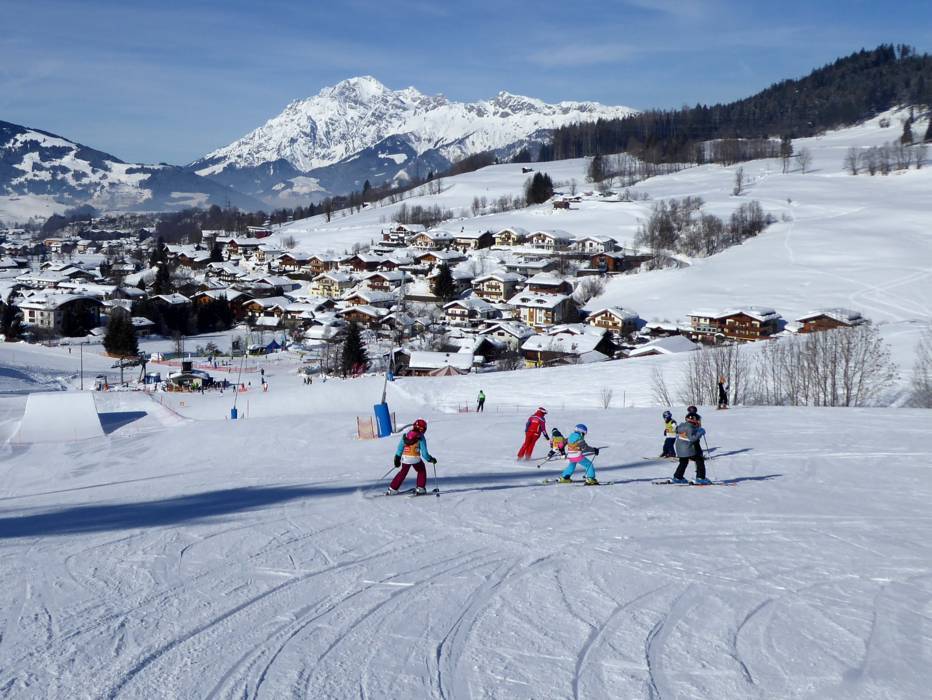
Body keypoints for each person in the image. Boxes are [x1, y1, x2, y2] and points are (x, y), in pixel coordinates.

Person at [388, 418, 437, 495]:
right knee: (421, 470)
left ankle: (392, 489)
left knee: (403, 473)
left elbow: (400, 448)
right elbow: (424, 453)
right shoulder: (421, 437)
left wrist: (397, 458)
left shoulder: (406, 435)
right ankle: (420, 488)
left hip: (405, 458)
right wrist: (430, 459)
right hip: (415, 458)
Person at [672, 412, 710, 484]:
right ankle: (700, 478)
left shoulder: (682, 425)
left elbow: (677, 430)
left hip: (680, 448)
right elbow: (692, 438)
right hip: (688, 448)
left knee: (683, 462)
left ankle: (678, 477)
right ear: (693, 419)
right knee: (699, 459)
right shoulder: (690, 427)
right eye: (697, 420)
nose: (698, 421)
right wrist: (701, 432)